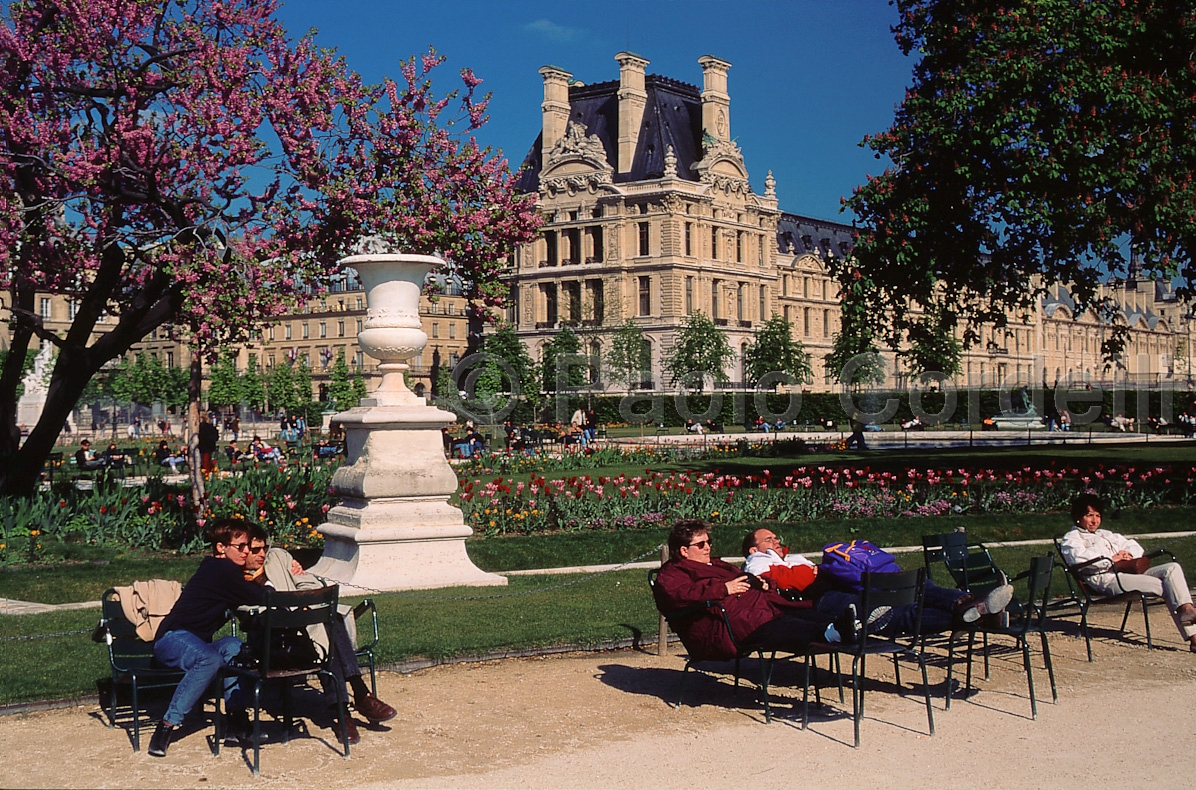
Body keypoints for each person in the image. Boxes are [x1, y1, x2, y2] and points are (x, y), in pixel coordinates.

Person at [240, 524, 396, 744]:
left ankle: (344, 712)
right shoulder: (237, 578)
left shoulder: (277, 559)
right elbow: (246, 613)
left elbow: (310, 582)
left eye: (263, 548)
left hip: (308, 634)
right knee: (327, 629)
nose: (261, 554)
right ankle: (359, 696)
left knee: (329, 624)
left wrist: (303, 599)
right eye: (254, 550)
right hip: (275, 645)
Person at [740, 528, 1015, 635]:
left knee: (914, 588)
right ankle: (976, 615)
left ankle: (966, 604)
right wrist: (814, 572)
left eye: (776, 537)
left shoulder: (793, 556)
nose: (776, 541)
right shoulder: (757, 562)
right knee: (890, 610)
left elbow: (806, 571)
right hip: (820, 600)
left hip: (836, 586)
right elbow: (781, 580)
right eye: (768, 539)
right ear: (753, 549)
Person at [654, 520, 862, 659]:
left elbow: (746, 577)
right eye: (701, 545)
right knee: (784, 624)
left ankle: (844, 628)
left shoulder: (716, 565)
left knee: (805, 614)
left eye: (709, 542)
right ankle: (833, 633)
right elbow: (676, 597)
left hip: (759, 608)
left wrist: (762, 583)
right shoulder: (672, 573)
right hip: (728, 626)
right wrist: (723, 589)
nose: (708, 547)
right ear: (683, 550)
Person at [148, 517, 267, 757]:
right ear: (221, 548)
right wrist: (266, 580)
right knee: (209, 660)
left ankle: (236, 719)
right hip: (171, 639)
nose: (246, 552)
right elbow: (262, 597)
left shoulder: (227, 573)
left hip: (197, 643)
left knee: (234, 646)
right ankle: (167, 726)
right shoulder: (220, 569)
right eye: (240, 546)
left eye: (247, 547)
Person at [1060, 493, 1196, 652]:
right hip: (1106, 579)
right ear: (1078, 516)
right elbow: (1080, 561)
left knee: (1172, 568)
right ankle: (1194, 637)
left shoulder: (1105, 534)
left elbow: (1134, 546)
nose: (1094, 520)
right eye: (1089, 515)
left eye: (1098, 516)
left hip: (1127, 573)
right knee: (1164, 585)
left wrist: (1127, 555)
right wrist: (1112, 559)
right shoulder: (1072, 539)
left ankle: (1187, 608)